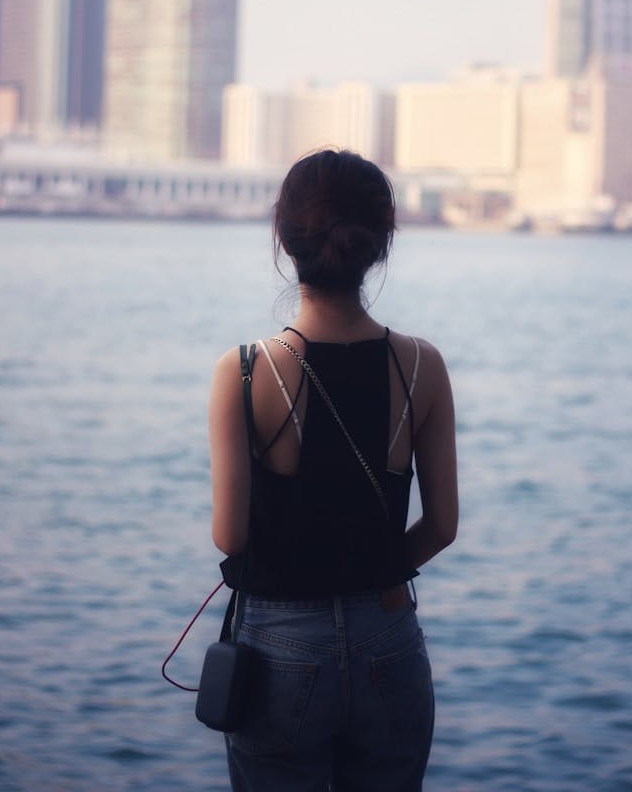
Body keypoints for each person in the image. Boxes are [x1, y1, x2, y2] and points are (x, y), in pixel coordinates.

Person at [208, 149, 458, 791]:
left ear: (284, 238)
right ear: (383, 241)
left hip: (280, 648)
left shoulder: (244, 371)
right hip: (390, 639)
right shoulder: (422, 366)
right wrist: (372, 574)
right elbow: (442, 525)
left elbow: (231, 539)